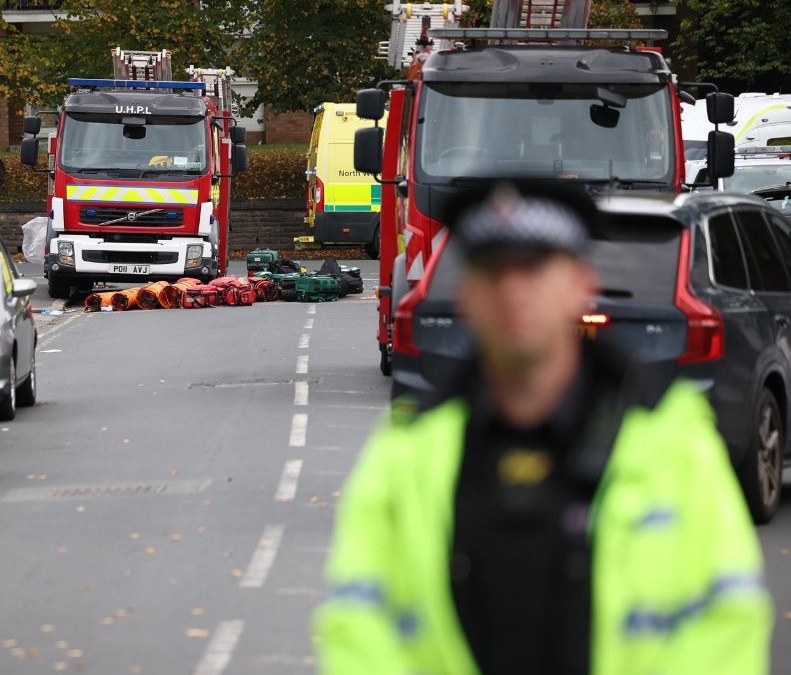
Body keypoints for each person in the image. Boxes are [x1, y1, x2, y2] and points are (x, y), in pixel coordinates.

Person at [314, 182, 772, 674]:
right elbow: (358, 628)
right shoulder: (405, 454)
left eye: (534, 267)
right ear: (467, 292)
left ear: (580, 283)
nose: (513, 289)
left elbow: (726, 625)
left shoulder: (673, 447)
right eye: (492, 271)